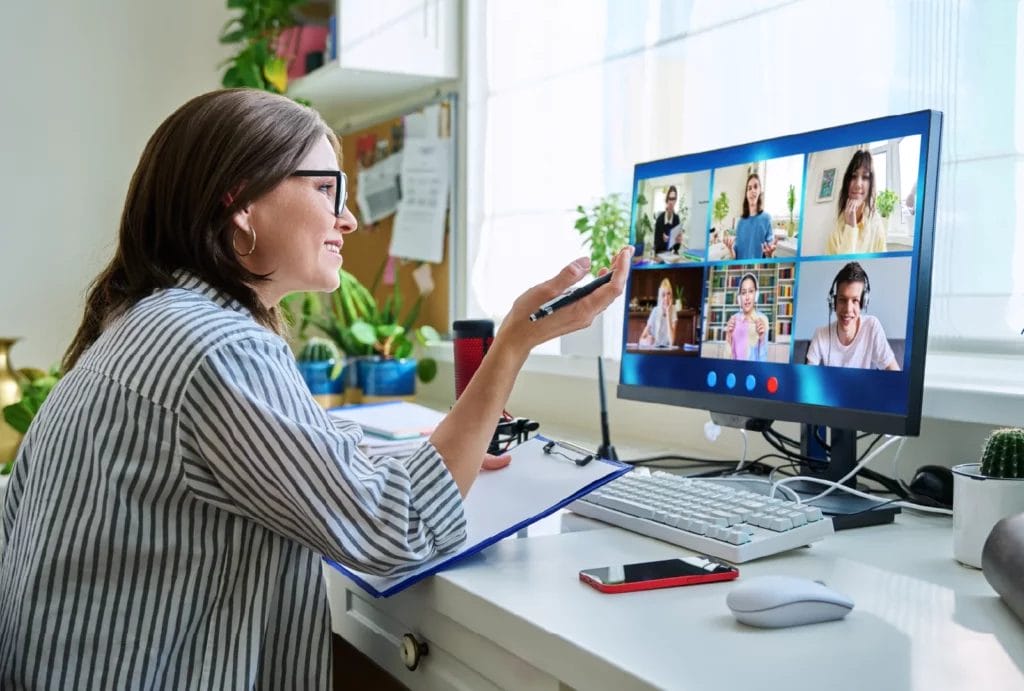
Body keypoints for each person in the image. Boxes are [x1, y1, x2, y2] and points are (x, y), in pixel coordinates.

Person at [0, 88, 631, 690]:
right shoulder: (219, 349)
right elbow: (398, 529)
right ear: (239, 202)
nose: (349, 218)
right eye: (328, 189)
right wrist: (511, 346)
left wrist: (430, 452)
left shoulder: (148, 321)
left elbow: (297, 457)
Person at [806, 261, 899, 370]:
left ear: (863, 302)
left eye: (855, 300)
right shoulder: (820, 335)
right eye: (842, 300)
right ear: (834, 302)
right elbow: (806, 377)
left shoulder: (872, 326)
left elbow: (894, 373)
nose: (848, 309)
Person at [826, 150, 887, 255]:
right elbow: (841, 269)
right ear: (847, 182)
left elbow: (883, 266)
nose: (858, 184)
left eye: (865, 177)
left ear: (871, 184)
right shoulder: (835, 228)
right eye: (854, 176)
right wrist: (850, 228)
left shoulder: (876, 225)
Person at [725, 173, 776, 259]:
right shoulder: (740, 222)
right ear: (746, 194)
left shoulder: (767, 219)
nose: (752, 190)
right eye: (749, 188)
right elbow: (735, 256)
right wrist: (730, 249)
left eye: (756, 187)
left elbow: (769, 253)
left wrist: (770, 254)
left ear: (760, 191)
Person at [724, 272, 769, 361]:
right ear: (739, 297)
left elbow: (763, 360)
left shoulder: (763, 320)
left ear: (756, 295)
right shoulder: (733, 319)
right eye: (743, 293)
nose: (747, 297)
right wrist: (728, 336)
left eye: (751, 291)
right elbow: (726, 359)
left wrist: (762, 338)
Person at [639, 277, 677, 347]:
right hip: (654, 348)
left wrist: (668, 313)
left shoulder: (673, 310)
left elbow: (672, 342)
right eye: (663, 295)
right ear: (660, 297)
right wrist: (646, 341)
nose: (666, 298)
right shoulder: (655, 311)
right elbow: (641, 340)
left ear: (671, 296)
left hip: (667, 350)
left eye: (669, 294)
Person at [653, 186, 681, 253]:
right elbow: (656, 244)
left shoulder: (676, 218)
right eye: (669, 199)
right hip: (659, 254)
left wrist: (678, 241)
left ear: (676, 200)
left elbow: (676, 248)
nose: (671, 202)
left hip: (670, 255)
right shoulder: (659, 218)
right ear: (666, 200)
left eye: (673, 199)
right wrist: (661, 239)